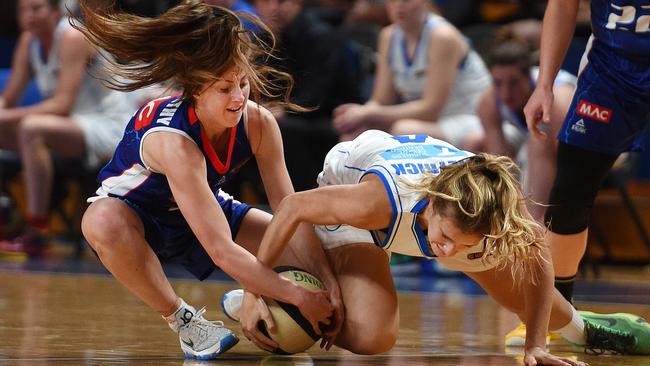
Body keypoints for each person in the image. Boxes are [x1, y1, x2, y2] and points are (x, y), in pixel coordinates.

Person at [223, 130, 650, 364]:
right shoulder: (376, 202)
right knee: (371, 336)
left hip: (441, 197)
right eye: (444, 239)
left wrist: (536, 342)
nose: (444, 254)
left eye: (459, 246)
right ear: (436, 205)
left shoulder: (493, 208)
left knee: (531, 299)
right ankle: (269, 300)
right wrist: (260, 288)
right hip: (358, 192)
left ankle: (585, 329)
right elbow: (293, 207)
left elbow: (537, 257)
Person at [73, 0, 342, 360]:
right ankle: (183, 320)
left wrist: (327, 281)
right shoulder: (174, 143)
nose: (238, 98)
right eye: (224, 89)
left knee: (319, 252)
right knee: (101, 220)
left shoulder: (258, 122)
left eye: (243, 84)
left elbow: (291, 212)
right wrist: (294, 296)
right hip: (138, 215)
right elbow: (221, 250)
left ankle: (242, 300)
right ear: (195, 91)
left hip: (203, 209)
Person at [522, 0, 650, 340]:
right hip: (612, 69)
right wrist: (544, 84)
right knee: (570, 190)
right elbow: (563, 6)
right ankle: (556, 315)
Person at [0, 0, 142, 256]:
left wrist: (6, 116)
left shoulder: (73, 36)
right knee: (22, 128)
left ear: (55, 11)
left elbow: (61, 105)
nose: (28, 16)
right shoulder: (27, 41)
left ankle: (37, 230)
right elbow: (8, 98)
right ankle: (6, 214)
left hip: (110, 125)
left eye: (36, 8)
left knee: (31, 129)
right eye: (23, 9)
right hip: (72, 125)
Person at [332, 0, 491, 150]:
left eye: (407, 0)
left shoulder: (442, 36)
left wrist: (367, 113)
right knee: (354, 137)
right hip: (425, 121)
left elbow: (430, 110)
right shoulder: (388, 36)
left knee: (403, 130)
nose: (399, 5)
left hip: (467, 118)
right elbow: (381, 101)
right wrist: (356, 114)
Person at [477, 35, 576, 223]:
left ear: (529, 76)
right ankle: (499, 224)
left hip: (591, 149)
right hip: (534, 145)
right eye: (498, 83)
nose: (505, 93)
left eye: (513, 83)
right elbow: (500, 164)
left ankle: (535, 226)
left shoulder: (559, 98)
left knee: (538, 144)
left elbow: (570, 164)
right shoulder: (488, 102)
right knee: (479, 148)